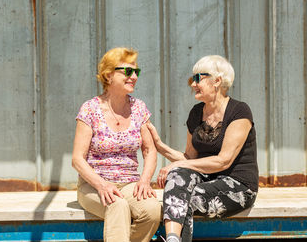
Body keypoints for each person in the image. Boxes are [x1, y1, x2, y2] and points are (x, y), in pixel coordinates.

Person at [147, 55, 258, 242]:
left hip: (238, 185)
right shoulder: (196, 112)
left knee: (186, 197)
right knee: (177, 177)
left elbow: (224, 160)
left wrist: (174, 166)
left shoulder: (239, 111)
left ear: (217, 81)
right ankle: (173, 239)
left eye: (198, 78)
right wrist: (159, 145)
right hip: (206, 179)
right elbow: (189, 158)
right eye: (192, 79)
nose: (193, 84)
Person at [72, 47, 162, 242]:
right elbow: (77, 159)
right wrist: (101, 185)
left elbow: (149, 150)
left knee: (153, 210)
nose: (134, 77)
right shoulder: (90, 109)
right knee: (118, 205)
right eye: (128, 72)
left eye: (136, 72)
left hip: (130, 182)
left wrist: (145, 180)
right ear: (109, 75)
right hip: (94, 185)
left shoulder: (139, 108)